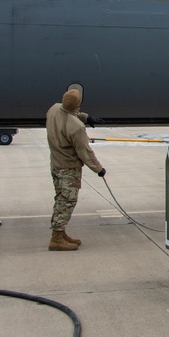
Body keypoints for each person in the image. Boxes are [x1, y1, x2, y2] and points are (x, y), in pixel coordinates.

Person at [46, 85, 106, 251]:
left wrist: (87, 118)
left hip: (56, 164)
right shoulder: (76, 128)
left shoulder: (54, 109)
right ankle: (56, 238)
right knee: (67, 201)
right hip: (68, 169)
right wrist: (99, 169)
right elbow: (85, 153)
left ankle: (61, 232)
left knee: (60, 198)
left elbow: (67, 113)